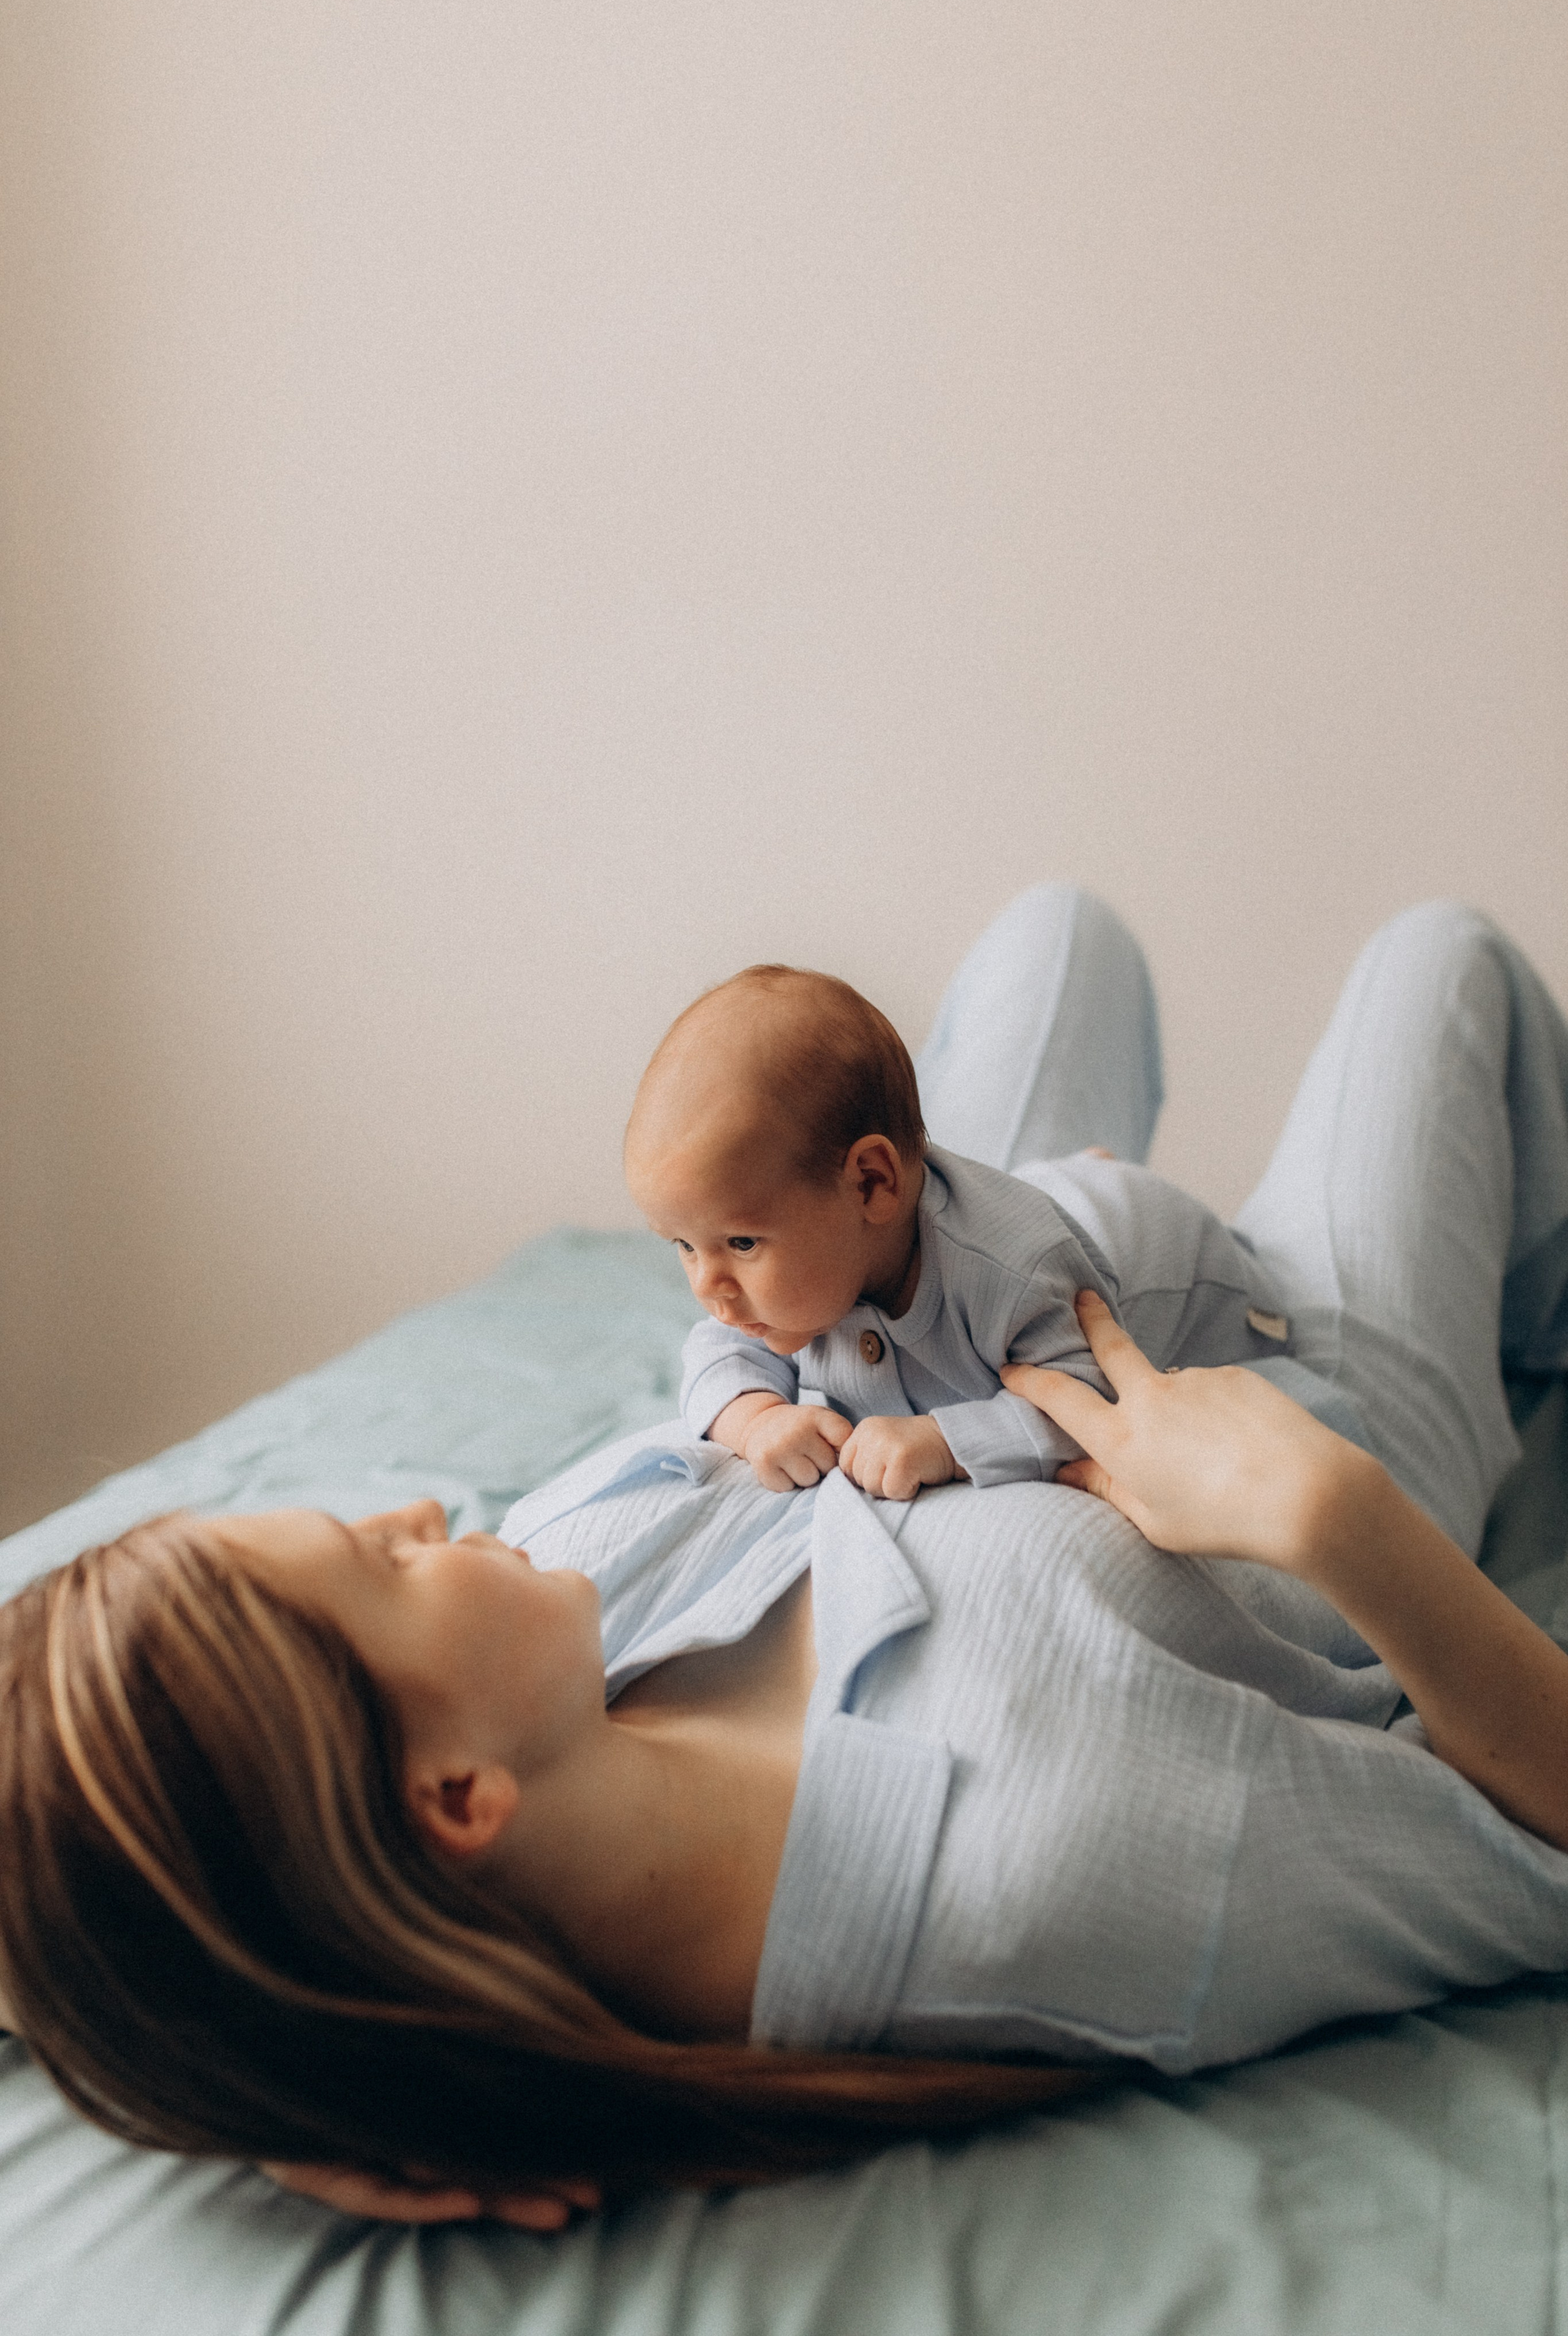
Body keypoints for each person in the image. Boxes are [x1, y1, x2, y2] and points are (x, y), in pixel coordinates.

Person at [2, 889, 1567, 2234]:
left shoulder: (551, 1642)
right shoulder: (1069, 1858)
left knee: (1054, 933)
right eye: (386, 1562)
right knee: (1437, 960)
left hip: (954, 1299)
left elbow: (68, 1867)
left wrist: (263, 2078)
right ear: (456, 1798)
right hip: (1294, 1376)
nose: (423, 1515)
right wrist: (1334, 1518)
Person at [624, 902, 1295, 1503]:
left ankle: (1110, 1193)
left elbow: (1089, 1396)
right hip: (1021, 1198)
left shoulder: (1014, 1275)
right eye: (683, 1245)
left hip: (1188, 1273)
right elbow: (717, 1350)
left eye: (740, 1244)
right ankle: (1068, 1173)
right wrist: (755, 1419)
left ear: (870, 1184)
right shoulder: (793, 1280)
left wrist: (944, 1441)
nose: (709, 1287)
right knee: (1032, 1194)